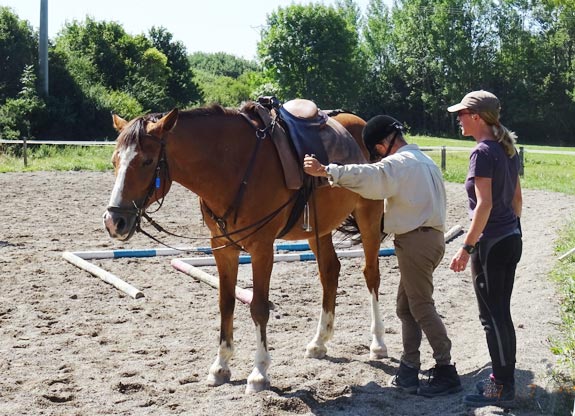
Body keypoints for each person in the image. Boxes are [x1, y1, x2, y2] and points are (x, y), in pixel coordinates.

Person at [303, 115, 462, 397]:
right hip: (430, 239)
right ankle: (409, 368)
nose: (376, 156)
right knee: (405, 308)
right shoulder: (424, 160)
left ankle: (446, 369)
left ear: (382, 145)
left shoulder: (399, 164)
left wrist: (326, 170)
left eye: (376, 151)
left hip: (416, 243)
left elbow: (369, 177)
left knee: (421, 307)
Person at [447, 90, 522, 408]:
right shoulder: (508, 149)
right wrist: (513, 231)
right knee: (501, 313)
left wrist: (466, 247)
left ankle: (502, 388)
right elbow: (517, 200)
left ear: (476, 116)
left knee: (492, 317)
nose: (458, 119)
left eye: (461, 114)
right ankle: (502, 380)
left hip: (491, 244)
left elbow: (484, 205)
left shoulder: (482, 151)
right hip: (510, 237)